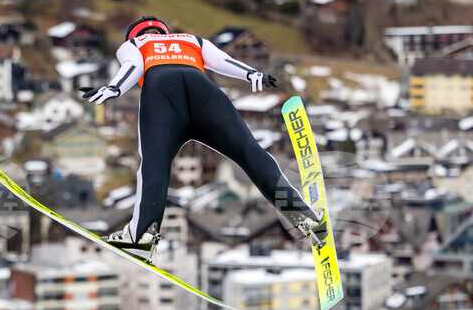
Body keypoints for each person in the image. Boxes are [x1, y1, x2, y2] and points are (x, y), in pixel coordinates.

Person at [81, 16, 326, 259]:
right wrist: (253, 75)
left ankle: (142, 237)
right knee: (250, 152)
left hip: (162, 96)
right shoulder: (191, 40)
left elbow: (132, 67)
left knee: (154, 167)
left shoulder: (134, 45)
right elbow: (223, 61)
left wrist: (114, 88)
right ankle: (303, 215)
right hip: (205, 96)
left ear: (134, 35)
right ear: (165, 32)